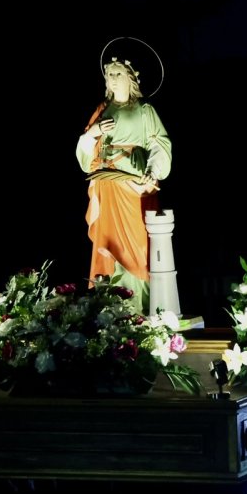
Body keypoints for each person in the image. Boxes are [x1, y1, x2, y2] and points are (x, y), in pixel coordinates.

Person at [76, 57, 172, 314]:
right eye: (108, 74)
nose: (112, 78)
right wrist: (93, 132)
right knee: (107, 243)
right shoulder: (102, 109)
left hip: (133, 185)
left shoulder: (143, 110)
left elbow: (159, 144)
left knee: (137, 246)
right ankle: (108, 310)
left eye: (117, 73)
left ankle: (137, 309)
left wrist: (153, 171)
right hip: (107, 184)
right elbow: (86, 150)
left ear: (130, 77)